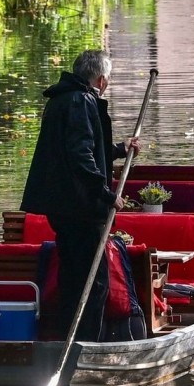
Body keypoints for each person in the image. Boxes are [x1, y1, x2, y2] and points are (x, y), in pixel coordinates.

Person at [21, 49, 140, 341]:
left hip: (63, 207)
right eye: (108, 79)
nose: (107, 84)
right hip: (82, 208)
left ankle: (68, 339)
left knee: (73, 277)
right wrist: (106, 194)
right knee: (94, 281)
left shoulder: (61, 99)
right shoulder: (82, 101)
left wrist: (119, 150)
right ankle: (86, 344)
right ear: (101, 80)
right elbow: (80, 156)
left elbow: (78, 152)